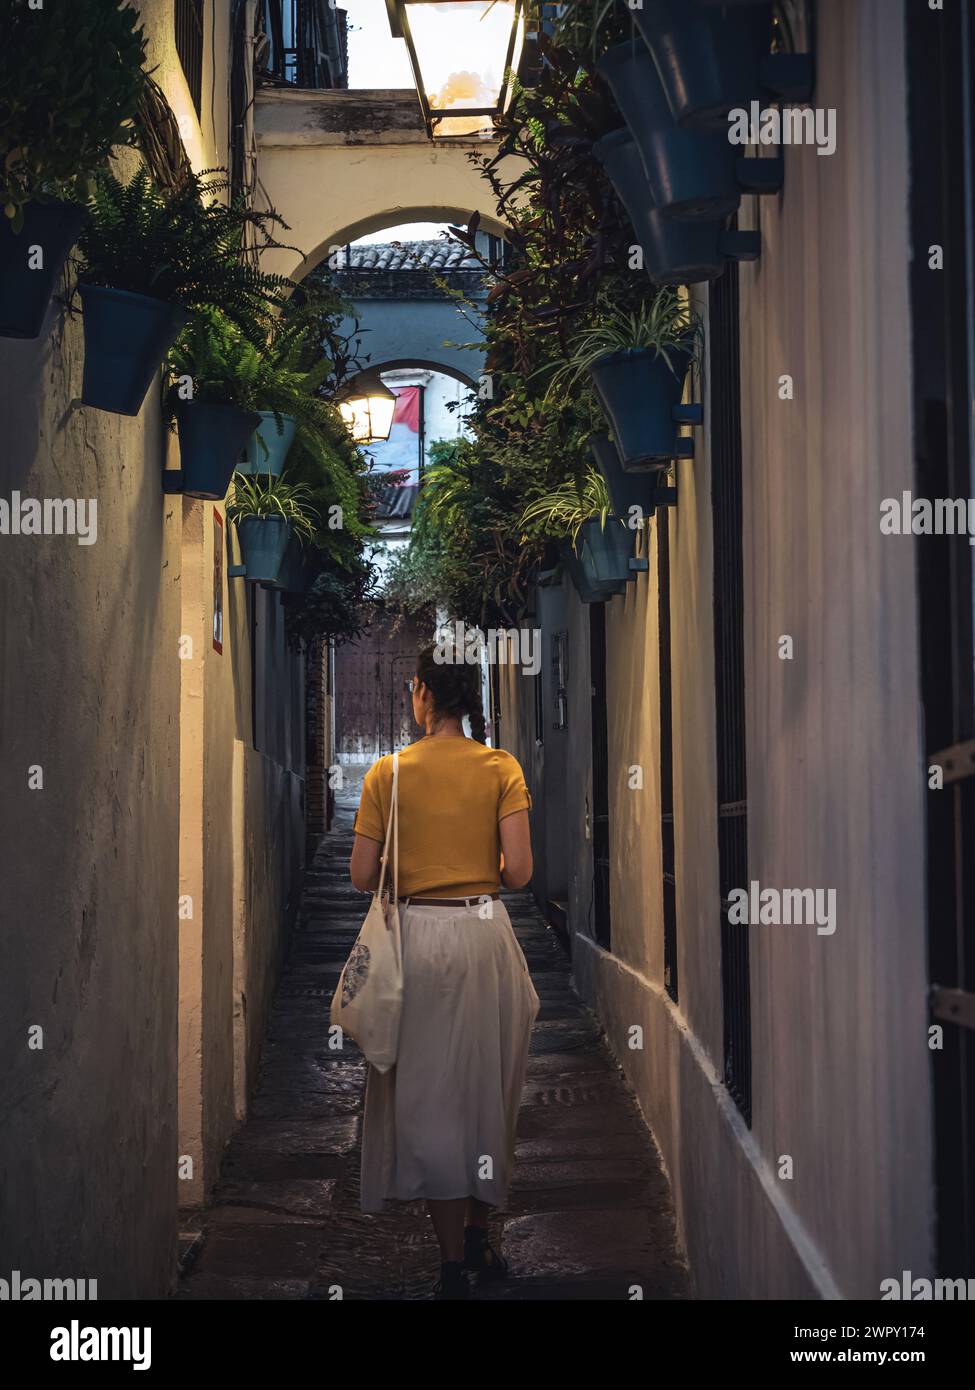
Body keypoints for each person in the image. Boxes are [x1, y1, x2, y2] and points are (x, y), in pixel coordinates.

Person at [349, 639, 540, 1300]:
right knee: (487, 1086)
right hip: (483, 935)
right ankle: (483, 1241)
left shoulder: (388, 774)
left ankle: (452, 1260)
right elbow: (519, 872)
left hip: (415, 942)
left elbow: (360, 875)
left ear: (422, 695)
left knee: (428, 1097)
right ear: (473, 696)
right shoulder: (501, 768)